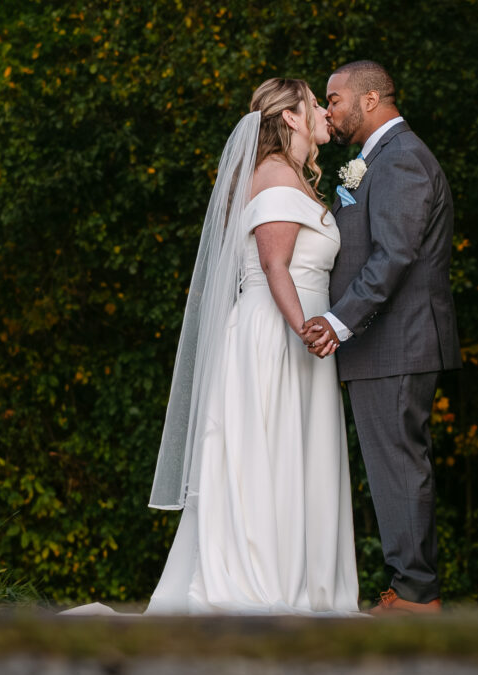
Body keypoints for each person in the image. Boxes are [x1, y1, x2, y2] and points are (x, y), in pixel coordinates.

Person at [144, 78, 359, 614]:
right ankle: (264, 581)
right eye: (314, 104)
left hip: (294, 332)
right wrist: (305, 328)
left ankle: (300, 580)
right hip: (279, 333)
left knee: (293, 450)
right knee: (271, 450)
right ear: (290, 118)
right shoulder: (279, 176)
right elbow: (273, 265)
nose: (322, 113)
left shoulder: (290, 178)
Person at [301, 59, 459, 614]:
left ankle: (417, 595)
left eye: (335, 99)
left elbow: (395, 256)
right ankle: (408, 585)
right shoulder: (378, 160)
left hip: (398, 339)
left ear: (370, 101)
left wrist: (339, 322)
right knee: (392, 465)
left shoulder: (403, 160)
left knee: (398, 464)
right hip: (385, 341)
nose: (329, 110)